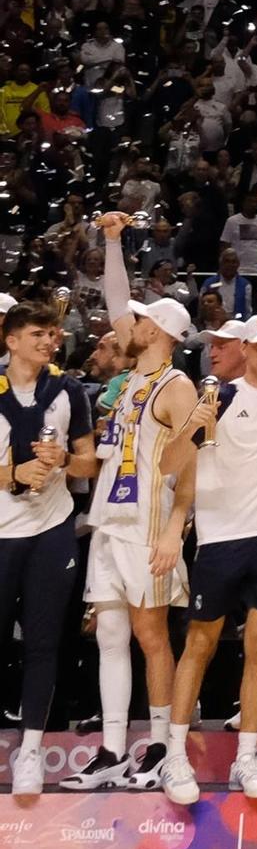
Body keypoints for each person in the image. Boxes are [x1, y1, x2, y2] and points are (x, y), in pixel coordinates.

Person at [153, 312, 257, 805]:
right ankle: (174, 755)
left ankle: (247, 755)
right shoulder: (219, 398)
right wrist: (191, 427)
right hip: (220, 539)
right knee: (201, 643)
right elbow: (167, 466)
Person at [78, 217, 198, 792]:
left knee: (153, 636)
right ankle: (111, 748)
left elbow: (189, 469)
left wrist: (177, 528)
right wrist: (110, 242)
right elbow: (116, 296)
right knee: (108, 636)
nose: (133, 322)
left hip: (148, 526)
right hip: (107, 519)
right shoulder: (128, 379)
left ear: (162, 331)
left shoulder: (177, 386)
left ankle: (158, 744)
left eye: (145, 320)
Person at [4, 300, 100, 794]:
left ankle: (32, 752)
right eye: (37, 334)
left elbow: (90, 464)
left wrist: (63, 459)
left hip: (51, 528)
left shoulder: (68, 392)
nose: (48, 341)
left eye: (53, 334)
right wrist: (12, 474)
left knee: (44, 643)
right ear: (12, 340)